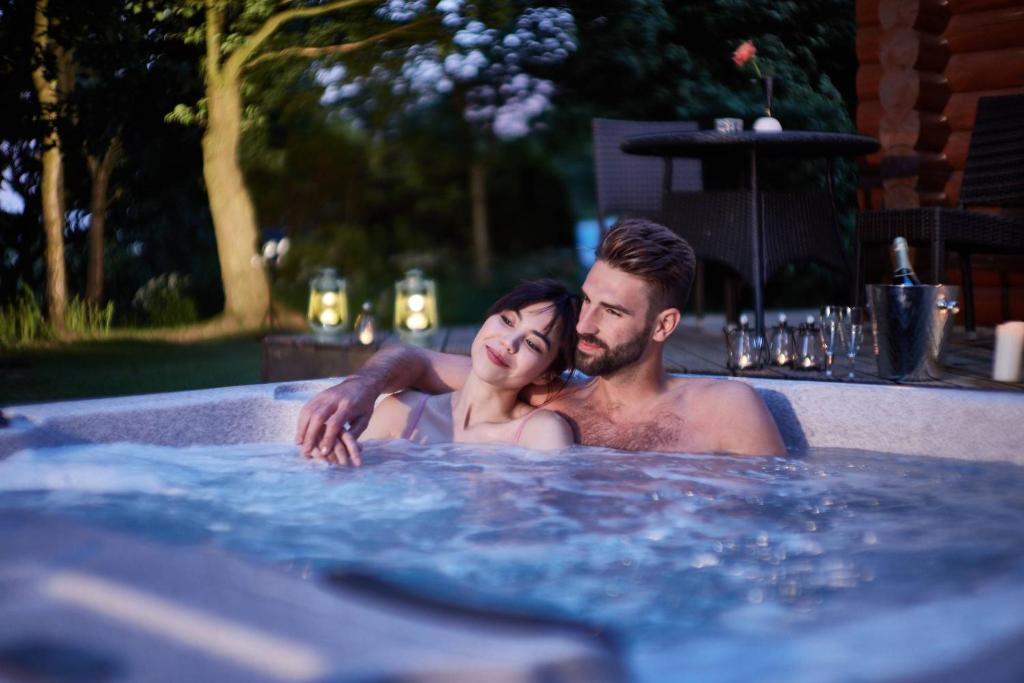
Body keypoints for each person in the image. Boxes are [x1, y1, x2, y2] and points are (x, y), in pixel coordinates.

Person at [296, 218, 785, 464]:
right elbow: (415, 359)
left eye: (611, 312)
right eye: (587, 300)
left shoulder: (726, 409)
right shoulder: (548, 394)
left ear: (663, 326)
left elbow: (780, 517)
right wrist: (358, 388)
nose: (584, 324)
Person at [329, 279, 579, 463]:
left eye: (532, 344)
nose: (508, 342)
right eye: (507, 320)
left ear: (544, 375)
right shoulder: (402, 412)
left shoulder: (540, 433)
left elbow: (548, 523)